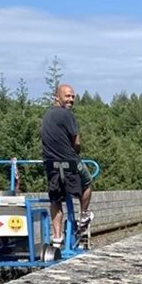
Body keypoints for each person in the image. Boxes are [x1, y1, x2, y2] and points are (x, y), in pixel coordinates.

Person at [40, 84, 94, 247]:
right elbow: (76, 141)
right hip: (69, 162)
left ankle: (57, 238)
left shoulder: (47, 115)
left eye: (72, 96)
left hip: (50, 164)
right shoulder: (67, 114)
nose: (71, 99)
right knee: (87, 181)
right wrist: (76, 151)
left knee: (56, 199)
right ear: (57, 97)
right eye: (67, 96)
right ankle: (84, 214)